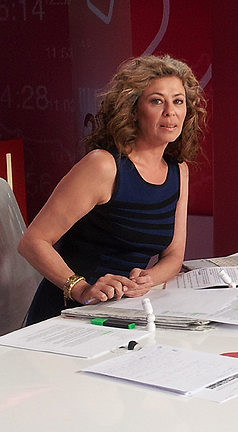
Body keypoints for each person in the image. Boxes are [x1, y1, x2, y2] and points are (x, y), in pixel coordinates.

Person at [19, 55, 207, 325]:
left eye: (178, 101)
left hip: (122, 309)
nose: (170, 111)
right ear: (133, 110)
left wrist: (147, 279)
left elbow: (174, 256)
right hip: (68, 313)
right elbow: (32, 242)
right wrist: (81, 289)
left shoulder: (179, 171)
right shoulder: (103, 166)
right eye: (157, 101)